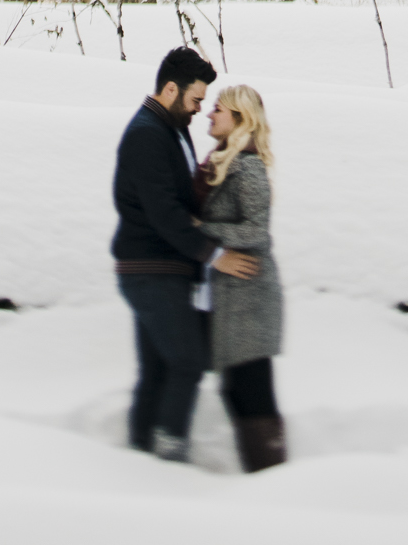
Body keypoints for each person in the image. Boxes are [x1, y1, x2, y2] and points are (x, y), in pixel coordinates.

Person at [111, 46, 258, 463]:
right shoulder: (146, 134)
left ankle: (139, 458)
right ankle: (168, 456)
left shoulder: (168, 129)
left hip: (162, 269)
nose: (199, 109)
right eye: (195, 99)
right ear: (171, 89)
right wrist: (214, 255)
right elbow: (164, 212)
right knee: (188, 363)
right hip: (150, 269)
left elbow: (178, 205)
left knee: (157, 372)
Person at [195, 83, 286, 472]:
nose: (208, 114)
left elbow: (256, 231)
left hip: (250, 299)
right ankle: (262, 474)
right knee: (235, 389)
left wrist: (201, 227)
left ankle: (272, 475)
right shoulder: (221, 160)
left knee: (251, 392)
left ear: (239, 118)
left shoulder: (247, 166)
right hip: (233, 299)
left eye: (218, 108)